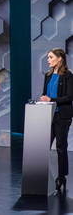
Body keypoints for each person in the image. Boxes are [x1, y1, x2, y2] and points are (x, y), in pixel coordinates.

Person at [39, 48, 73, 190]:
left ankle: (61, 176)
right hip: (49, 115)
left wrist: (51, 99)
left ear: (60, 59)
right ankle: (41, 175)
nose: (48, 60)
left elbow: (69, 97)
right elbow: (44, 94)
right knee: (43, 146)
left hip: (62, 116)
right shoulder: (47, 75)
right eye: (48, 57)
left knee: (60, 146)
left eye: (51, 57)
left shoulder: (68, 75)